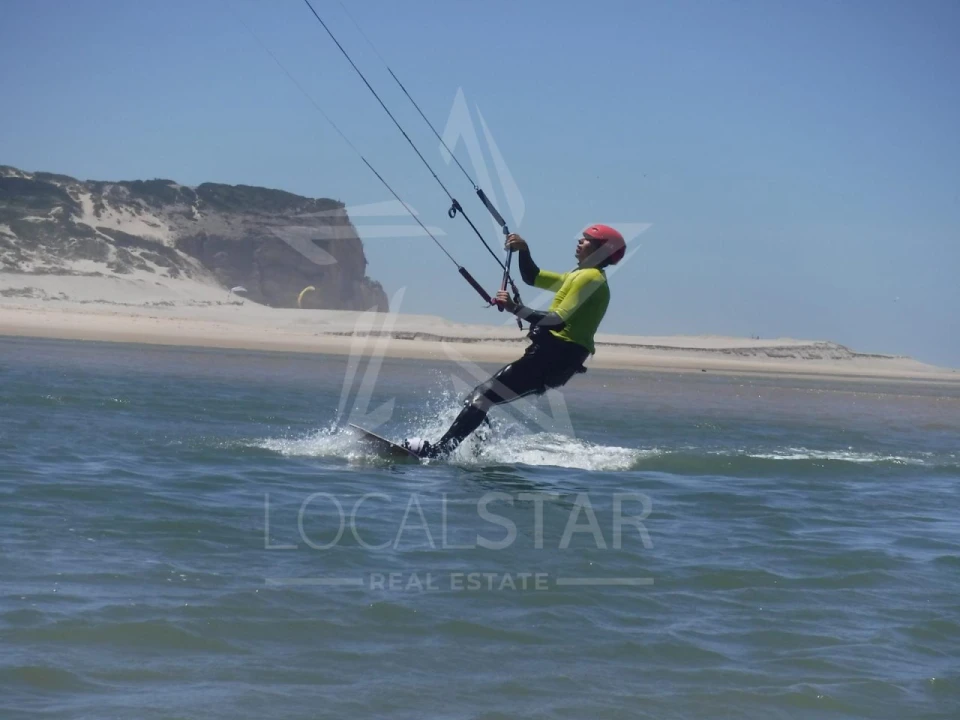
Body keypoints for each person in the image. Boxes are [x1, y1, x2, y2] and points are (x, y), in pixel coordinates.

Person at [404, 224, 626, 458]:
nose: (580, 242)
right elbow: (533, 277)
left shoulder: (590, 278)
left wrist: (513, 308)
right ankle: (479, 453)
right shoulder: (579, 275)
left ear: (602, 250)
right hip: (551, 356)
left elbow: (556, 321)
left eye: (587, 240)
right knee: (478, 399)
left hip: (556, 357)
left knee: (481, 398)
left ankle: (439, 452)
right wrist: (523, 250)